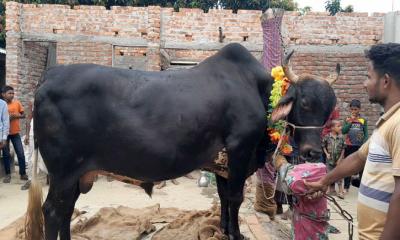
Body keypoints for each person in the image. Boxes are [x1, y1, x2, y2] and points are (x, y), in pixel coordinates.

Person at [305, 43, 400, 239]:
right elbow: (358, 157)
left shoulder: (398, 124)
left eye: (368, 76)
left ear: (385, 81)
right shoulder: (388, 121)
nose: (364, 84)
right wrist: (324, 181)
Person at [1, 85, 28, 184]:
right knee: (6, 154)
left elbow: (24, 115)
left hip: (15, 132)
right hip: (5, 134)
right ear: (3, 94)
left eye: (13, 93)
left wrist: (18, 116)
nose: (12, 95)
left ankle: (23, 173)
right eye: (9, 93)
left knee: (20, 153)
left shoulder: (17, 103)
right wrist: (7, 118)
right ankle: (8, 174)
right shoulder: (2, 105)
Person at [342, 99, 368, 192]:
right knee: (348, 166)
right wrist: (350, 122)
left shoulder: (363, 120)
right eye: (352, 109)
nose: (354, 111)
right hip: (349, 145)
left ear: (359, 109)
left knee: (361, 166)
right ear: (350, 109)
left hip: (360, 146)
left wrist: (364, 144)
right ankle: (346, 187)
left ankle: (362, 188)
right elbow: (343, 131)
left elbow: (366, 133)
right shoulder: (347, 119)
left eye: (355, 109)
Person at [322, 120, 345, 199]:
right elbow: (323, 146)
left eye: (340, 126)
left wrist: (340, 159)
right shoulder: (327, 137)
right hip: (330, 160)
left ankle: (341, 191)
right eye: (338, 126)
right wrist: (326, 154)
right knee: (329, 174)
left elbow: (343, 149)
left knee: (339, 174)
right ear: (332, 128)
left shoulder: (341, 137)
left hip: (339, 160)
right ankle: (329, 189)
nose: (340, 128)